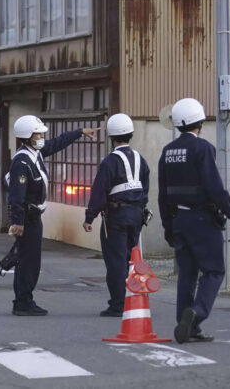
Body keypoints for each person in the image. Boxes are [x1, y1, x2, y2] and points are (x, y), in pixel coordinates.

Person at [158, 98, 230, 343]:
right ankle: (196, 315)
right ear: (199, 121)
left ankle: (186, 326)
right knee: (215, 270)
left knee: (187, 274)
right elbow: (214, 187)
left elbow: (162, 193)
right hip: (201, 220)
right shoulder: (203, 148)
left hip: (178, 219)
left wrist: (168, 225)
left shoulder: (167, 152)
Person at [7, 115, 98, 316]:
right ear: (27, 136)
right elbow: (17, 195)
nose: (42, 137)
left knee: (30, 259)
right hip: (27, 218)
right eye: (38, 133)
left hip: (34, 216)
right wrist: (17, 221)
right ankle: (23, 301)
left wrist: (80, 132)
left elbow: (57, 143)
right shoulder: (22, 161)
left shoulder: (35, 153)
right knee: (28, 260)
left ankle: (24, 299)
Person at [82, 113, 150, 317]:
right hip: (137, 214)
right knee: (132, 258)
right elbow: (145, 188)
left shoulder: (109, 162)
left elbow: (99, 191)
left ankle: (118, 305)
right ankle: (136, 298)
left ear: (111, 136)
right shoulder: (140, 159)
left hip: (116, 215)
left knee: (116, 260)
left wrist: (89, 217)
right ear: (131, 134)